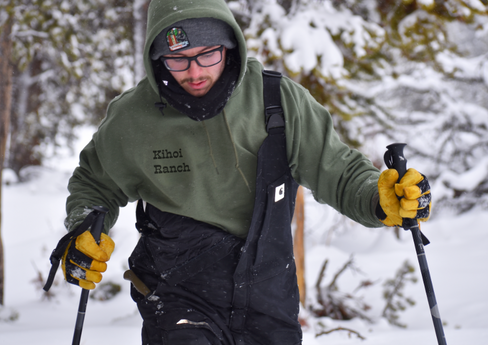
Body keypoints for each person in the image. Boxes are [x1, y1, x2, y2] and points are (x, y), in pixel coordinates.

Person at [58, 0, 432, 344]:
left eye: (208, 55)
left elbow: (336, 169)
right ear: (157, 60)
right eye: (178, 59)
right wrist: (85, 227)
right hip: (177, 287)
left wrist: (378, 198)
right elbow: (96, 184)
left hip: (268, 289)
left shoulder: (277, 101)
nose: (194, 71)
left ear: (231, 47)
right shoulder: (133, 118)